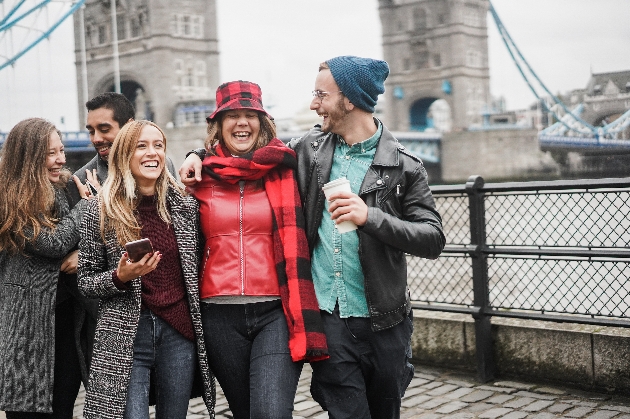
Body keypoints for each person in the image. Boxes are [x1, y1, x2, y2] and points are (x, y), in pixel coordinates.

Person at [180, 57, 446, 419]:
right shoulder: (308, 150)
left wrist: (371, 217)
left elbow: (432, 239)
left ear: (349, 100)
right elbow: (251, 155)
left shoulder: (405, 165)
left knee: (386, 411)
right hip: (327, 318)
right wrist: (196, 155)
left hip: (385, 320)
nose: (313, 103)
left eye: (321, 94)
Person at [185, 80, 328, 419]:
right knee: (244, 412)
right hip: (218, 314)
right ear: (219, 125)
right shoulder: (198, 176)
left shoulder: (285, 168)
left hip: (275, 311)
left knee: (270, 412)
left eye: (251, 114)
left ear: (263, 123)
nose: (242, 122)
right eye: (232, 115)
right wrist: (196, 154)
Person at [77, 120, 215, 419]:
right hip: (126, 332)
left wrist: (197, 153)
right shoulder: (97, 210)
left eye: (158, 145)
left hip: (179, 330)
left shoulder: (185, 207)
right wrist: (120, 276)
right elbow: (86, 283)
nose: (152, 153)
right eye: (141, 146)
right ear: (124, 154)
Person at [64, 92, 177, 385]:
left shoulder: (164, 166)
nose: (96, 138)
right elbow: (78, 254)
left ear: (129, 126)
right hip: (110, 318)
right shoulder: (80, 178)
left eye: (104, 128)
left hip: (165, 314)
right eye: (90, 130)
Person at [0, 118, 93, 417]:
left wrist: (81, 250)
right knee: (27, 409)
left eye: (62, 150)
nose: (62, 159)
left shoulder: (67, 187)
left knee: (62, 407)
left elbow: (84, 238)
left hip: (66, 320)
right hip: (26, 325)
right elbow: (52, 243)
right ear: (28, 157)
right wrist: (86, 208)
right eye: (51, 153)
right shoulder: (8, 198)